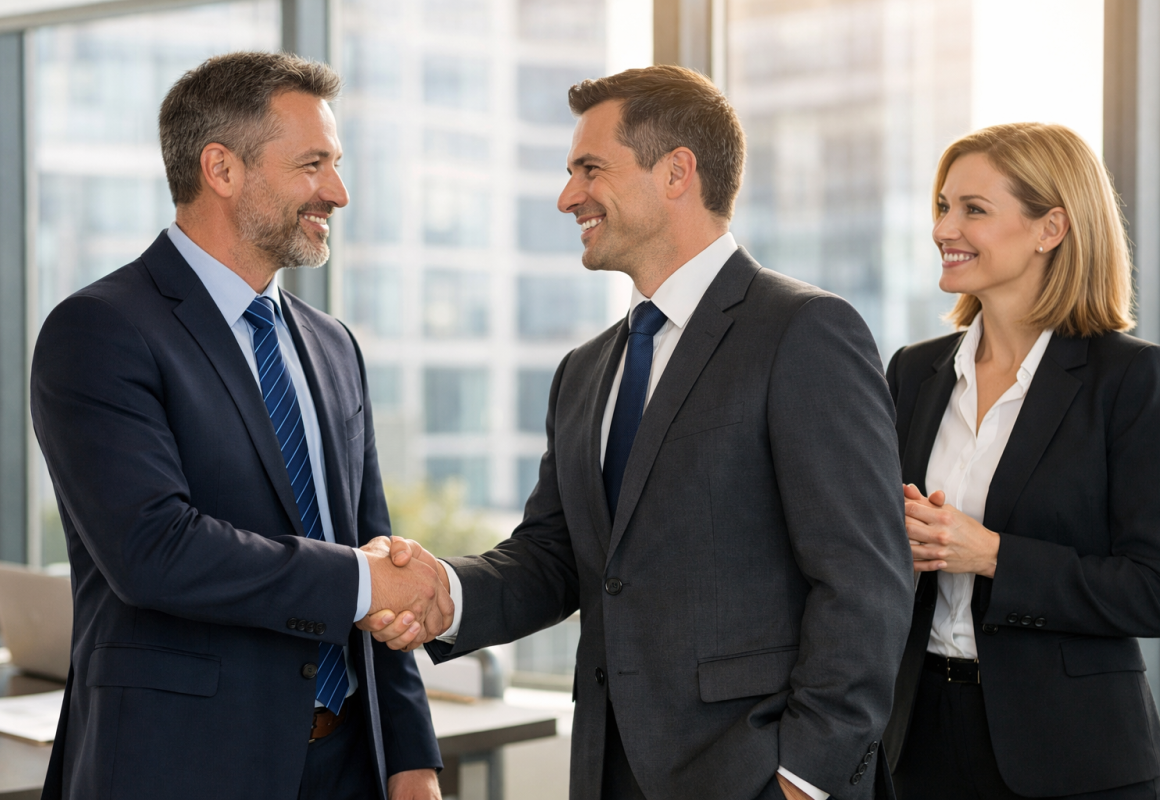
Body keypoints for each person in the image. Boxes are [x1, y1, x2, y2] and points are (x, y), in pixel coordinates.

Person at [372, 65, 914, 800]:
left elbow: (865, 583)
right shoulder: (584, 371)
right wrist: (448, 590)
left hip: (756, 777)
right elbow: (555, 556)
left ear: (677, 172)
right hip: (608, 769)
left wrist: (803, 778)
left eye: (590, 169)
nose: (568, 197)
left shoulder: (804, 332)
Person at [31, 52, 453, 800]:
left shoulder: (332, 344)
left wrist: (410, 760)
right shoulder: (100, 331)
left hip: (349, 766)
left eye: (337, 164)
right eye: (312, 164)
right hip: (182, 769)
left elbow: (374, 548)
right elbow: (154, 548)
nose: (339, 191)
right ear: (220, 170)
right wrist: (361, 578)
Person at [883, 122, 1160, 799]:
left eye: (973, 209)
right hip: (920, 742)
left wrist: (992, 554)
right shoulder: (914, 373)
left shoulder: (1131, 379)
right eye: (942, 205)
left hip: (1077, 758)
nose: (944, 228)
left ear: (1050, 227)